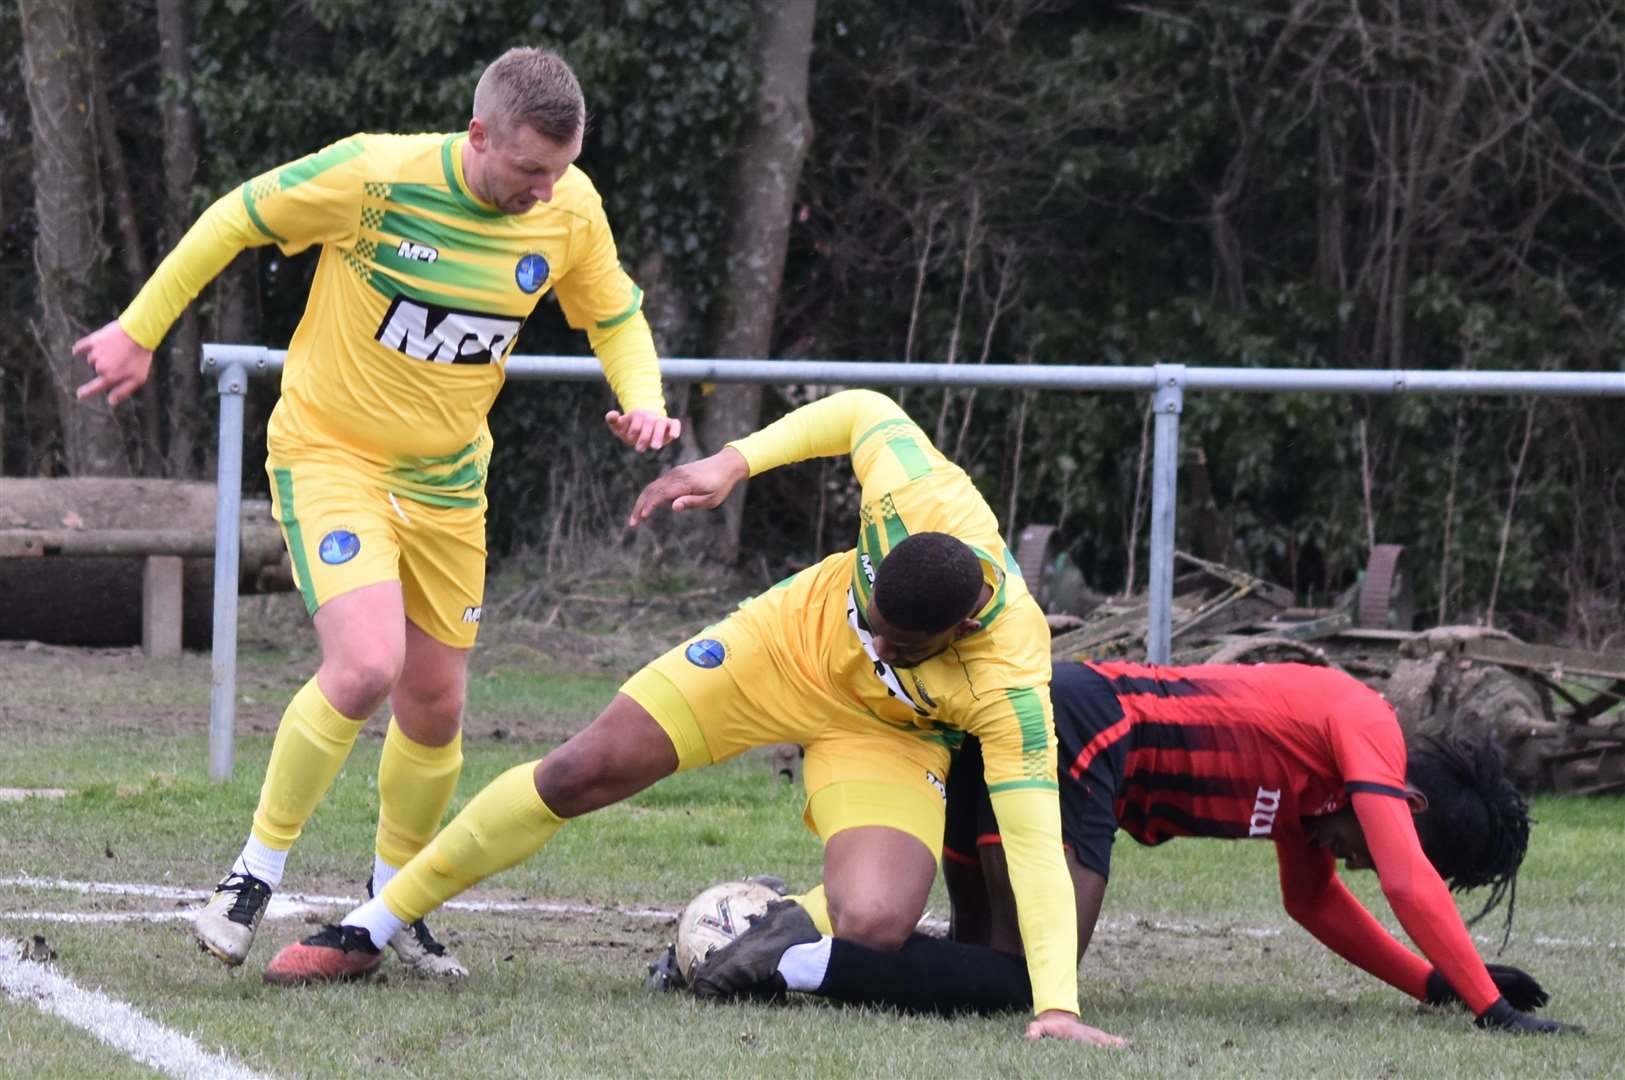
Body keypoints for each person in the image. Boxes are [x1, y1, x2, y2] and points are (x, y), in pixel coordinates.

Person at [260, 389, 1123, 1046]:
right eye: (874, 616)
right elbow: (865, 410)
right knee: (579, 771)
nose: (877, 640)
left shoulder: (1011, 680)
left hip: (887, 736)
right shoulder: (918, 498)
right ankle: (370, 926)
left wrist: (1056, 1007)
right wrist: (732, 463)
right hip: (780, 647)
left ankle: (747, 941)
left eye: (899, 643)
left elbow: (1035, 839)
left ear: (961, 628)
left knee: (874, 923)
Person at [73, 47, 680, 979]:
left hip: (448, 485)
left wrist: (641, 395)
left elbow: (614, 313)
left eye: (558, 172)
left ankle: (392, 909)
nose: (543, 191)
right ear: (478, 135)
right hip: (332, 458)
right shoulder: (374, 176)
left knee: (435, 706)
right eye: (527, 171)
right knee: (365, 665)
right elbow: (234, 216)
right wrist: (138, 328)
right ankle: (251, 874)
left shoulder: (569, 204)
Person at [690, 660, 1580, 1035]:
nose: (1355, 858)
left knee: (977, 964)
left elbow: (1313, 904)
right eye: (1369, 841)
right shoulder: (1363, 727)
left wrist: (1432, 983)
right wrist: (1486, 1007)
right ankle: (792, 960)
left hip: (1049, 731)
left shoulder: (1314, 795)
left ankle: (767, 949)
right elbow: (1406, 879)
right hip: (1081, 730)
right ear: (1405, 799)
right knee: (1038, 982)